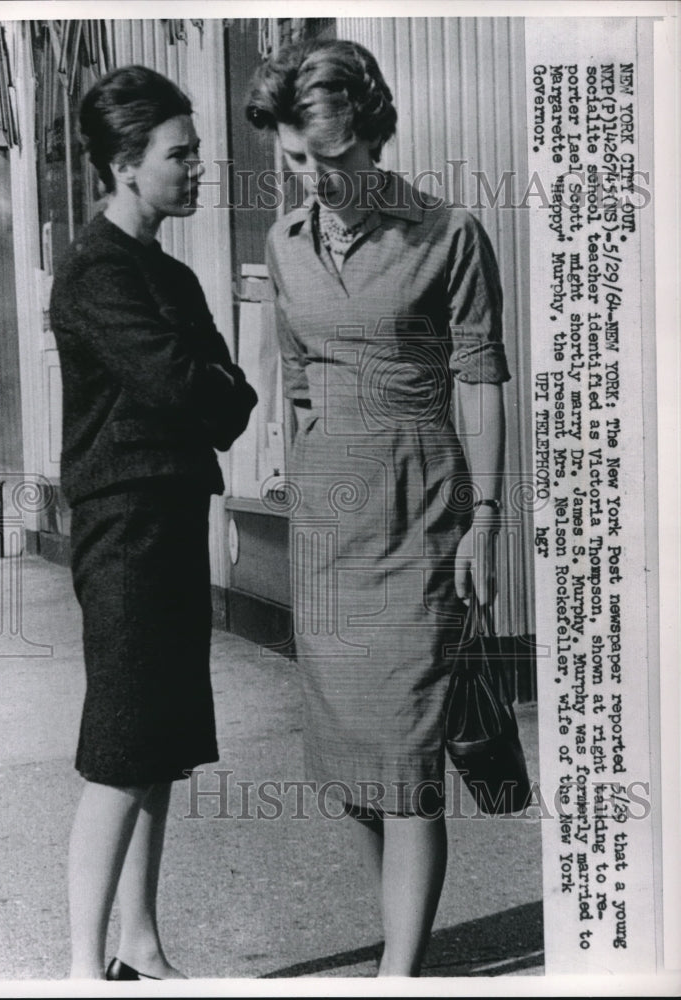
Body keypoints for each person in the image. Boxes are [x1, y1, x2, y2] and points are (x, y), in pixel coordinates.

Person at [246, 39, 510, 976]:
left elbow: (480, 379)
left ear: (372, 133)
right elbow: (300, 371)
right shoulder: (283, 243)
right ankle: (399, 945)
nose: (313, 179)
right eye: (294, 162)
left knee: (406, 757)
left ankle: (399, 974)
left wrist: (486, 518)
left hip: (422, 511)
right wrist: (281, 455)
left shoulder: (448, 233)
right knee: (353, 761)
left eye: (330, 159)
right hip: (329, 525)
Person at [50, 65, 257, 980]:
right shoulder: (95, 268)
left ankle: (140, 942)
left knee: (160, 745)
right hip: (124, 529)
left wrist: (202, 386)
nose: (198, 167)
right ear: (128, 164)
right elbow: (186, 383)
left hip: (172, 519)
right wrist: (201, 384)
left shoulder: (167, 272)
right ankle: (80, 971)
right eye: (182, 153)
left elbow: (230, 401)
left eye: (197, 150)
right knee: (125, 746)